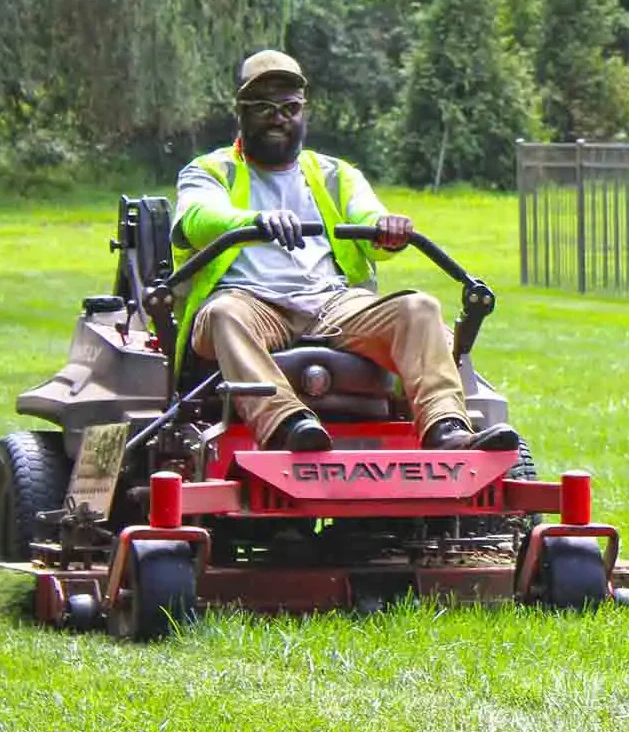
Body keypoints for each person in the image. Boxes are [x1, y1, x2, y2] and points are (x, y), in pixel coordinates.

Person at [172, 49, 520, 454]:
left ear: (304, 112)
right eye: (263, 107)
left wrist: (386, 228)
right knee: (222, 314)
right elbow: (197, 219)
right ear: (241, 113)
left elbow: (368, 216)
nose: (278, 116)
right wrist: (251, 222)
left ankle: (446, 428)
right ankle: (288, 424)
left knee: (419, 308)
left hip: (331, 304)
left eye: (289, 107)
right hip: (250, 302)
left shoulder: (337, 174)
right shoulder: (210, 171)